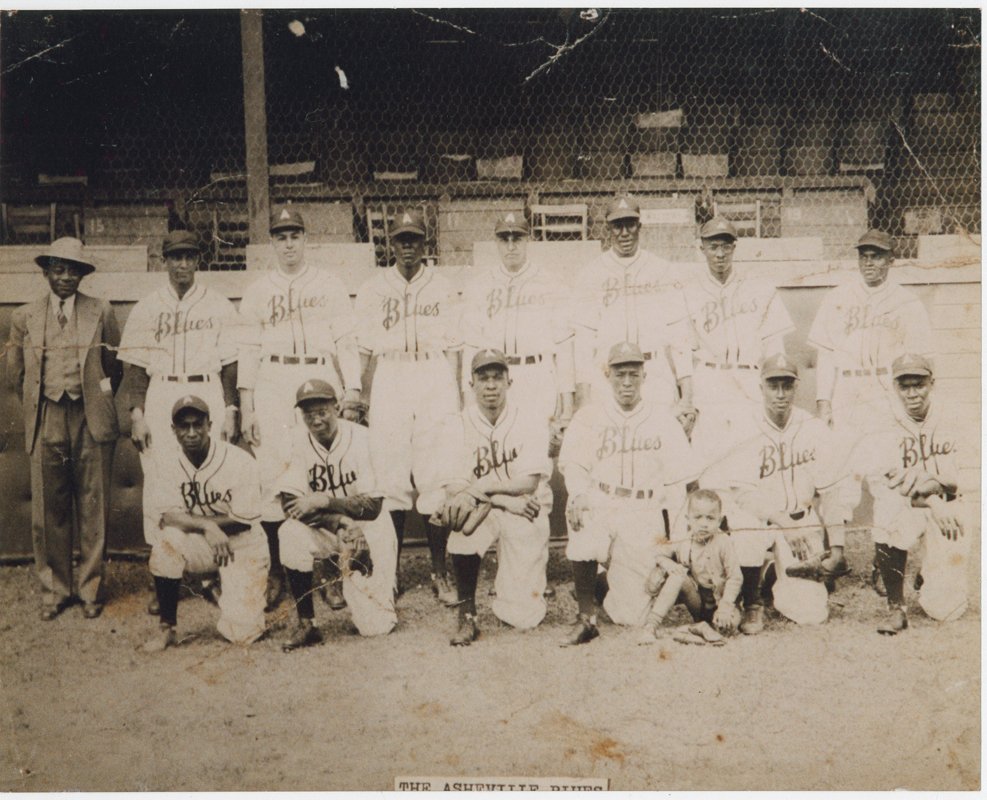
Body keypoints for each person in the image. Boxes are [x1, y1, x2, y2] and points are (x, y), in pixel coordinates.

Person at [237, 207, 364, 611]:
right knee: (274, 475)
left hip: (320, 376)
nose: (288, 243)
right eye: (281, 236)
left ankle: (327, 570)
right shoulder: (258, 290)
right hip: (274, 382)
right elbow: (248, 349)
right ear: (272, 242)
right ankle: (279, 571)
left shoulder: (329, 284)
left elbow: (346, 340)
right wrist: (246, 404)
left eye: (294, 235)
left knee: (320, 474)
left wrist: (354, 389)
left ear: (305, 239)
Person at [118, 229, 239, 613]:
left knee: (213, 480)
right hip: (162, 392)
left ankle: (213, 575)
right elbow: (134, 366)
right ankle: (164, 576)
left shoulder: (218, 304)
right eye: (175, 257)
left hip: (208, 391)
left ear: (198, 261)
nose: (182, 264)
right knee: (159, 484)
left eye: (189, 256)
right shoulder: (147, 306)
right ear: (163, 261)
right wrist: (136, 413)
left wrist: (232, 408)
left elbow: (232, 363)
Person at [6, 237, 122, 620]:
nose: (66, 276)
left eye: (74, 270)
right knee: (48, 508)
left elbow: (113, 368)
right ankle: (55, 591)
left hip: (88, 416)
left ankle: (90, 589)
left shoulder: (100, 311)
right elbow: (15, 374)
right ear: (46, 272)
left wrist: (93, 398)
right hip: (46, 415)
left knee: (92, 503)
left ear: (83, 274)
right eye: (59, 269)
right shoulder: (24, 317)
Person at [699, 354, 855, 634]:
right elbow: (743, 495)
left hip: (801, 520)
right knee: (746, 532)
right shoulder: (745, 428)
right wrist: (784, 522)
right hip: (761, 520)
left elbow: (831, 492)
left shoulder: (813, 428)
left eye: (787, 385)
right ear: (761, 388)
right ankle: (752, 602)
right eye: (773, 385)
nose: (780, 394)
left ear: (796, 388)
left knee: (811, 615)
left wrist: (838, 549)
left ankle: (772, 574)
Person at [354, 209, 462, 604]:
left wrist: (453, 395)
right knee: (392, 479)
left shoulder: (443, 287)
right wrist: (360, 395)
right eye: (401, 240)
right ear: (391, 244)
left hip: (432, 375)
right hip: (391, 377)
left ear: (425, 243)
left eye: (414, 239)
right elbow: (364, 351)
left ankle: (439, 571)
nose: (408, 247)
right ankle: (390, 571)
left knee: (435, 476)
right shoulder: (372, 289)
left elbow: (453, 348)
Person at [559, 341, 698, 646]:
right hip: (602, 501)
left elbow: (679, 484)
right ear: (607, 375)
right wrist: (579, 494)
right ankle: (586, 618)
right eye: (620, 374)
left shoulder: (663, 419)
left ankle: (600, 583)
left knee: (630, 614)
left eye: (633, 374)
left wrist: (675, 542)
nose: (626, 382)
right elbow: (574, 466)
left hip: (643, 510)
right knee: (580, 516)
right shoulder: (588, 416)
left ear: (644, 376)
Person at [439, 349, 553, 646]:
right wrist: (502, 499)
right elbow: (454, 489)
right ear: (471, 384)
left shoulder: (528, 419)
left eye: (497, 377)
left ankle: (512, 592)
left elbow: (529, 482)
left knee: (523, 617)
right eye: (483, 378)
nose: (491, 385)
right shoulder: (457, 423)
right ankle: (467, 614)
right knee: (462, 524)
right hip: (494, 508)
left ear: (508, 381)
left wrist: (487, 489)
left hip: (523, 510)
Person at [275, 380, 397, 651]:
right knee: (289, 533)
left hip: (369, 529)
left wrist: (325, 500)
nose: (315, 419)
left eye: (322, 411)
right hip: (333, 529)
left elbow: (373, 506)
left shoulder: (364, 438)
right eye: (308, 413)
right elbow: (290, 504)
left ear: (337, 408)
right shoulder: (295, 441)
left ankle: (383, 585)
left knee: (375, 628)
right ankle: (307, 624)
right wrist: (340, 522)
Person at [141, 395, 270, 652]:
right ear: (173, 430)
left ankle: (223, 586)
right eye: (183, 426)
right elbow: (168, 516)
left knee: (243, 634)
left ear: (210, 425)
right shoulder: (166, 462)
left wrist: (207, 526)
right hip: (204, 541)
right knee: (166, 543)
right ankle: (167, 628)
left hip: (243, 544)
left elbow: (243, 521)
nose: (191, 433)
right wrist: (208, 527)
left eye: (197, 425)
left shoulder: (239, 460)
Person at [852, 354, 969, 635]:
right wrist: (932, 500)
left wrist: (936, 483)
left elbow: (974, 474)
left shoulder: (955, 416)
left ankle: (928, 572)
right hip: (910, 505)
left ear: (933, 383)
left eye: (919, 384)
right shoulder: (883, 422)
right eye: (905, 386)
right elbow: (886, 481)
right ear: (895, 387)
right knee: (886, 509)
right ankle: (896, 608)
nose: (912, 393)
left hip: (950, 505)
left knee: (946, 611)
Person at [570, 196, 694, 420]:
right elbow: (584, 342)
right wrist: (584, 396)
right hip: (609, 375)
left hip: (653, 372)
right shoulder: (591, 274)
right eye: (617, 226)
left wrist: (686, 396)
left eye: (630, 224)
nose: (624, 232)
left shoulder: (662, 270)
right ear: (608, 229)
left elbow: (680, 338)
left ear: (640, 226)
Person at [679, 216, 794, 453]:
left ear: (734, 247)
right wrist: (687, 399)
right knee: (709, 456)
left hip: (749, 380)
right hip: (710, 381)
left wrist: (773, 387)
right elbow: (683, 351)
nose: (720, 253)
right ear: (702, 249)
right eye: (713, 246)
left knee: (751, 452)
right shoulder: (688, 291)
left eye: (725, 246)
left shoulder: (759, 287)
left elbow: (775, 347)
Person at [808, 229, 934, 433]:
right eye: (863, 257)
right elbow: (826, 356)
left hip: (888, 388)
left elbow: (922, 357)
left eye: (876, 257)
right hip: (847, 389)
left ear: (891, 260)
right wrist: (824, 402)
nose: (868, 263)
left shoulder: (908, 302)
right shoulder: (836, 298)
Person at [459, 211, 574, 431]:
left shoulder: (550, 282)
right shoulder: (480, 286)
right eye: (504, 239)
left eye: (517, 238)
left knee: (539, 450)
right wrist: (468, 402)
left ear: (528, 240)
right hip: (496, 377)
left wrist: (567, 408)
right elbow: (470, 347)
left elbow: (564, 347)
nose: (511, 246)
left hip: (537, 373)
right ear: (496, 242)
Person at [638, 489, 742, 644]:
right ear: (688, 519)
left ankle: (691, 630)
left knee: (729, 628)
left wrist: (726, 607)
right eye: (698, 517)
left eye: (710, 518)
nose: (704, 524)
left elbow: (735, 577)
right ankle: (651, 626)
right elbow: (658, 553)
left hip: (721, 604)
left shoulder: (724, 542)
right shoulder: (684, 539)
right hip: (698, 602)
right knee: (678, 575)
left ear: (719, 521)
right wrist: (670, 564)